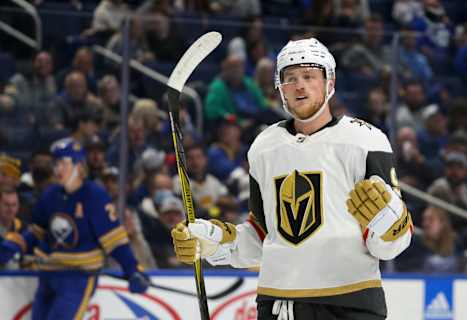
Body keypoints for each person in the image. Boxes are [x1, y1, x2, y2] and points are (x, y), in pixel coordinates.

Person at [172, 38, 413, 320]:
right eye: (290, 78)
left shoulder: (365, 140)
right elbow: (263, 235)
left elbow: (389, 245)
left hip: (351, 303)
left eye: (309, 76)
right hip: (279, 305)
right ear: (279, 88)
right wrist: (213, 243)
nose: (300, 85)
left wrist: (390, 225)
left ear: (329, 83)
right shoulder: (264, 147)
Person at [0, 138, 149, 320]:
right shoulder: (51, 194)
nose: (57, 169)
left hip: (78, 277)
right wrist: (15, 244)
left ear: (79, 166)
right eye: (56, 164)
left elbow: (115, 241)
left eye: (63, 163)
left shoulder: (94, 196)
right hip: (48, 275)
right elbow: (37, 232)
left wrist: (133, 269)